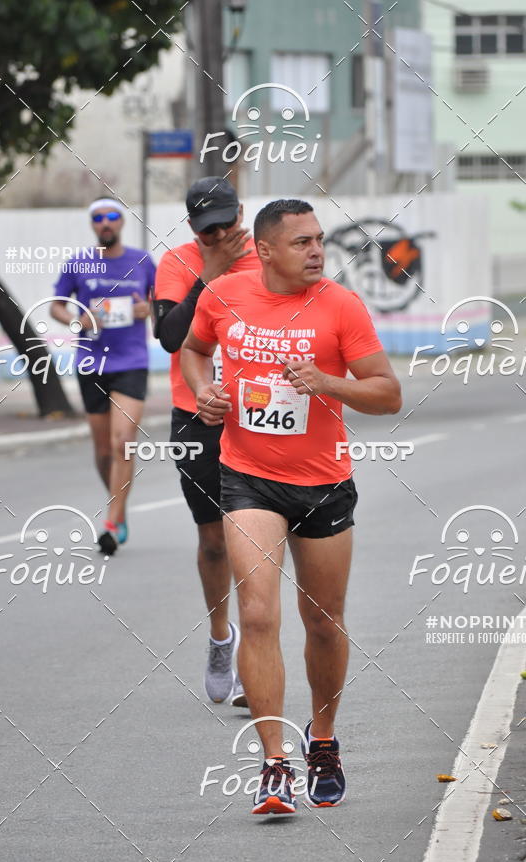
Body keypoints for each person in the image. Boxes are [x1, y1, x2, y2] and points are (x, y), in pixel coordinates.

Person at [181, 199, 401, 815]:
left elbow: (388, 395)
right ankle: (274, 762)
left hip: (324, 482)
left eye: (319, 240)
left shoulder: (340, 306)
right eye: (301, 242)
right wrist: (206, 393)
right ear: (267, 250)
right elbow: (194, 350)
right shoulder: (225, 293)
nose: (316, 251)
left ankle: (323, 742)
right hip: (248, 476)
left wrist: (329, 383)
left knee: (323, 622)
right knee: (256, 615)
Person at [153, 177, 259, 706]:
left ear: (241, 212)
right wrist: (210, 276)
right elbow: (171, 336)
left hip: (261, 419)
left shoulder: (268, 258)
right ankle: (222, 637)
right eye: (207, 230)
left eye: (226, 224)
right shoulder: (178, 262)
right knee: (215, 540)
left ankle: (250, 664)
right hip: (196, 419)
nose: (219, 235)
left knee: (253, 540)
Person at [51, 198, 156, 555]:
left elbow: (163, 302)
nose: (105, 223)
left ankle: (112, 519)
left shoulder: (141, 261)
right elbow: (56, 305)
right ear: (93, 224)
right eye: (98, 218)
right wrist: (78, 320)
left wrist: (148, 309)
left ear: (121, 221)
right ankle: (119, 506)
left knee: (122, 440)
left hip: (131, 362)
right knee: (102, 450)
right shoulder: (79, 262)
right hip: (91, 363)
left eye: (112, 216)